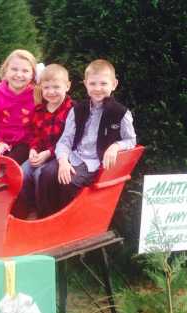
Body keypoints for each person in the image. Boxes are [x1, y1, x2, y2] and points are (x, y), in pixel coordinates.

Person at [38, 59, 136, 217]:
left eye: (103, 84)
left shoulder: (120, 113)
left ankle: (66, 220)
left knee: (68, 181)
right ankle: (45, 215)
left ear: (114, 84)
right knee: (47, 173)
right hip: (74, 156)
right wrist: (63, 161)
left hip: (94, 161)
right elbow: (65, 140)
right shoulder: (77, 110)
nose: (98, 89)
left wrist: (115, 146)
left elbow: (131, 140)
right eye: (93, 84)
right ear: (85, 84)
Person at [17, 64, 73, 217]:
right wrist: (33, 149)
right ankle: (31, 207)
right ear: (41, 88)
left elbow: (70, 139)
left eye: (56, 87)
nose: (51, 92)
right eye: (47, 88)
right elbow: (35, 134)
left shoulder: (72, 110)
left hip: (60, 155)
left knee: (40, 174)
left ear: (67, 86)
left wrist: (48, 153)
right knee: (22, 172)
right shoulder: (39, 110)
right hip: (41, 153)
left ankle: (45, 213)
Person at [0, 49, 37, 164]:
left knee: (8, 165)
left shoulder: (38, 96)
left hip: (27, 145)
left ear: (33, 75)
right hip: (2, 143)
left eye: (25, 71)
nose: (19, 74)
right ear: (5, 70)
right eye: (14, 69)